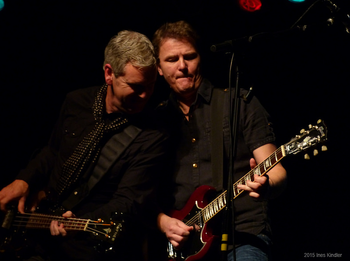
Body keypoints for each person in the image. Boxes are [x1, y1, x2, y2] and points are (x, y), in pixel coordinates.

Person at [0, 30, 169, 261]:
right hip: (36, 230)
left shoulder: (152, 134)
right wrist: (25, 180)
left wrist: (76, 221)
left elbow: (129, 200)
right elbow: (52, 152)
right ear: (109, 74)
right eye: (135, 86)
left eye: (150, 85)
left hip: (88, 246)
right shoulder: (76, 101)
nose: (145, 95)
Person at [151, 20, 287, 261]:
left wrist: (266, 185)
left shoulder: (238, 103)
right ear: (159, 68)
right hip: (181, 245)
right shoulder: (156, 119)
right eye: (172, 59)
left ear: (201, 58)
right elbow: (141, 192)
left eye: (189, 56)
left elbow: (276, 171)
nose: (182, 66)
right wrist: (163, 223)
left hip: (242, 236)